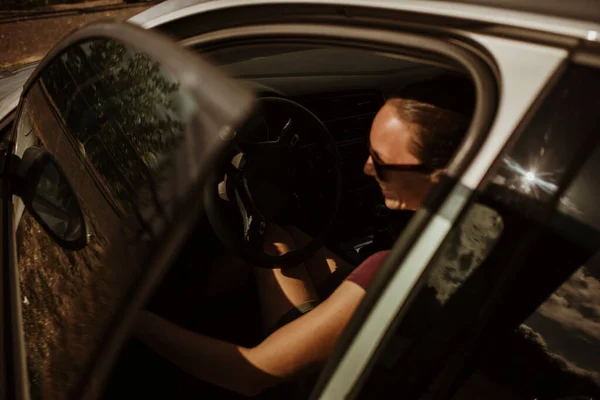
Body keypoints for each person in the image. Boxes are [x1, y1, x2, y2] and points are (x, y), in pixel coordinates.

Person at [132, 75, 474, 396]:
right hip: (400, 359)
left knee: (273, 242)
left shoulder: (394, 270)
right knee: (287, 236)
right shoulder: (467, 242)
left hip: (322, 387)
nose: (366, 169)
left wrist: (136, 322)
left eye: (380, 161)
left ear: (440, 177)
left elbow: (250, 373)